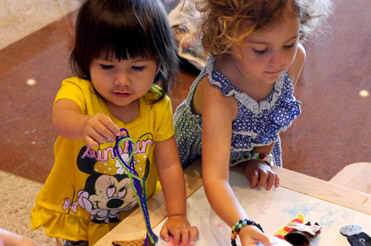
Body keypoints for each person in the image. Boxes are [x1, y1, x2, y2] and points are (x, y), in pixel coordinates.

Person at [30, 0, 199, 245]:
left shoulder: (156, 104)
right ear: (87, 60)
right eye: (107, 66)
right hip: (84, 213)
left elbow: (169, 164)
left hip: (134, 214)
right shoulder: (78, 92)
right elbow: (61, 119)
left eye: (138, 67)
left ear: (159, 63)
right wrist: (83, 124)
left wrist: (177, 214)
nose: (122, 80)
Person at [174, 0, 332, 245]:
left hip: (244, 157)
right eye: (260, 50)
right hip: (195, 167)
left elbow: (272, 118)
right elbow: (214, 178)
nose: (278, 61)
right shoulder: (219, 93)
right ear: (227, 37)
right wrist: (242, 226)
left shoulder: (295, 57)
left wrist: (258, 159)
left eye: (288, 44)